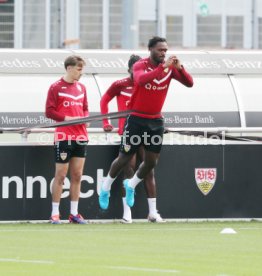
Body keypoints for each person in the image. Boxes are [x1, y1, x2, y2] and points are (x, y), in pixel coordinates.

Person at [99, 36, 193, 212]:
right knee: (124, 158)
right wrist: (163, 68)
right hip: (136, 120)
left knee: (151, 162)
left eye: (165, 50)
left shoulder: (169, 69)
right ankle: (105, 186)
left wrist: (180, 67)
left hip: (155, 121)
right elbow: (142, 80)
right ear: (150, 50)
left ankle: (131, 185)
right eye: (160, 50)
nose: (163, 53)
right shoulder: (140, 65)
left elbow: (190, 83)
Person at [100, 54, 165, 223]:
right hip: (128, 130)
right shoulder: (120, 84)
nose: (140, 72)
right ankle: (127, 214)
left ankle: (153, 213)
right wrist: (106, 122)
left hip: (147, 130)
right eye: (136, 69)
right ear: (130, 69)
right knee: (128, 167)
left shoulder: (147, 83)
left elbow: (153, 103)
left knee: (149, 169)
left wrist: (158, 124)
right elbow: (104, 100)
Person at [45, 55, 89, 224]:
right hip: (64, 137)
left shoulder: (82, 88)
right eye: (79, 69)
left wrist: (85, 118)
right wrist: (67, 119)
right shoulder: (55, 87)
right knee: (61, 175)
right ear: (69, 68)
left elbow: (85, 108)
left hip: (81, 136)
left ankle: (74, 214)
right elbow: (49, 112)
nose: (81, 73)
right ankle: (55, 213)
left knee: (77, 175)